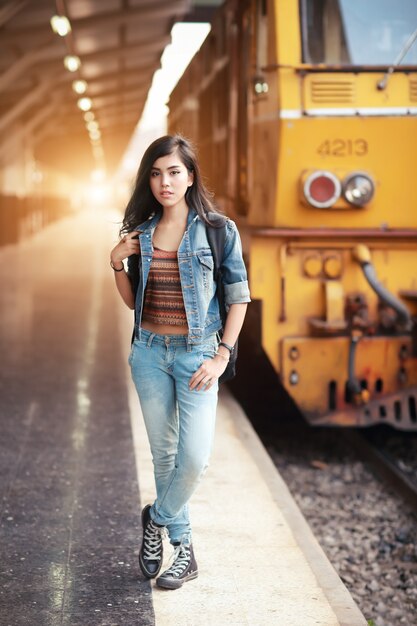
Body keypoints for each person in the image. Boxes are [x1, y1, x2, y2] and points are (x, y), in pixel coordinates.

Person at [110, 134, 250, 590]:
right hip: (150, 353)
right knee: (165, 456)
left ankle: (157, 516)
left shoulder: (218, 229)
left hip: (197, 356)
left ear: (190, 177)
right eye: (155, 173)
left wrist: (222, 354)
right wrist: (116, 263)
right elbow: (135, 303)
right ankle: (184, 552)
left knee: (194, 458)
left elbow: (238, 298)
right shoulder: (142, 232)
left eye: (173, 172)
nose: (164, 181)